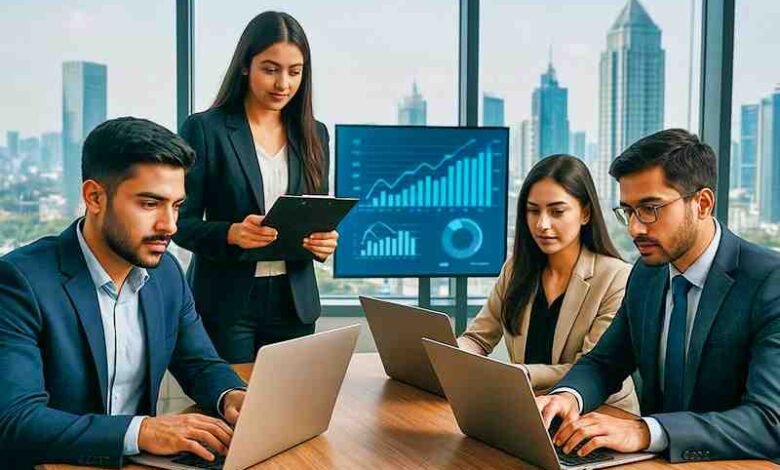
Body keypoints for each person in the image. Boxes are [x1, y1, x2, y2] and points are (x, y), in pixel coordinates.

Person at [0, 118, 248, 468]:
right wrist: (142, 431)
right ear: (95, 197)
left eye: (176, 206)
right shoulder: (20, 281)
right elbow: (16, 419)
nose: (170, 226)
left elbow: (199, 363)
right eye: (150, 204)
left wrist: (231, 395)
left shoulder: (166, 275)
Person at [536, 129, 780, 462]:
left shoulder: (769, 281)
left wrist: (645, 431)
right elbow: (605, 362)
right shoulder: (646, 274)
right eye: (628, 211)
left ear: (702, 204)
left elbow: (769, 422)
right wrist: (567, 397)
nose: (635, 228)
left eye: (650, 208)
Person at [174, 11, 335, 363]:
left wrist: (323, 241)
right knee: (234, 410)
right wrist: (231, 233)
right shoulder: (205, 129)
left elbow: (314, 214)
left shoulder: (314, 134)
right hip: (227, 302)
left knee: (290, 410)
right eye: (270, 69)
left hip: (294, 301)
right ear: (246, 66)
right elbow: (179, 224)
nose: (283, 84)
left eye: (294, 71)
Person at [458, 155, 638, 413]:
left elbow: (591, 367)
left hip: (598, 415)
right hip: (529, 409)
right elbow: (478, 338)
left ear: (585, 213)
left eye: (557, 212)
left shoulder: (616, 278)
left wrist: (518, 374)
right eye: (533, 211)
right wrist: (453, 354)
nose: (542, 224)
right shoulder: (516, 270)